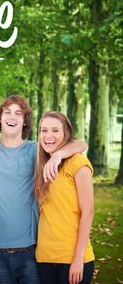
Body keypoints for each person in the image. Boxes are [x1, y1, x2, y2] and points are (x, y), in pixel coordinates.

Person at [0, 95, 88, 284]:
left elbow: (81, 144)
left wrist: (58, 155)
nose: (12, 117)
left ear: (24, 122)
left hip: (31, 249)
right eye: (7, 112)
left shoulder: (36, 150)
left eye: (18, 113)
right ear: (0, 118)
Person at [34, 111, 95, 284]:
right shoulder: (41, 164)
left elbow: (88, 212)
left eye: (55, 130)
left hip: (72, 258)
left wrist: (78, 259)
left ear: (65, 134)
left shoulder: (77, 163)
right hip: (44, 257)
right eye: (43, 130)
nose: (48, 135)